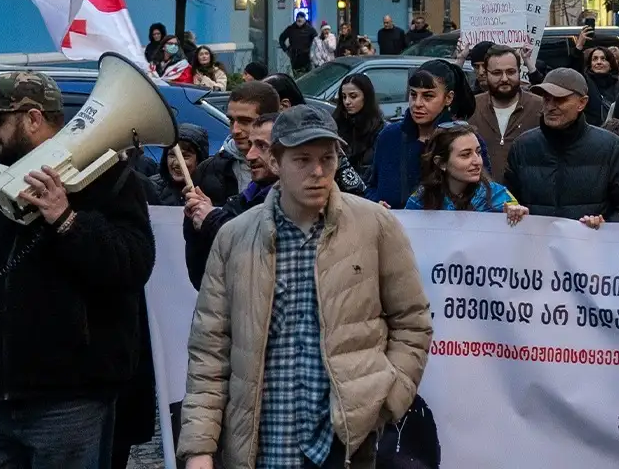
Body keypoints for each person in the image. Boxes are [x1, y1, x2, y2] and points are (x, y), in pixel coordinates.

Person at [177, 106, 432, 469]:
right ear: (275, 160)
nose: (317, 172)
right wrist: (200, 447)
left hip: (343, 445)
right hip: (260, 445)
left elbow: (412, 321)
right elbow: (209, 349)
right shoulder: (235, 237)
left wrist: (386, 398)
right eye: (302, 160)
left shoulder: (375, 225)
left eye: (327, 159)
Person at [0, 71, 156, 469]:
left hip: (68, 400)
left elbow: (133, 263)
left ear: (33, 118)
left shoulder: (111, 181)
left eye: (1, 119)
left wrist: (67, 220)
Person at [504, 67, 619, 226]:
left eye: (560, 100)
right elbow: (507, 197)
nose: (550, 106)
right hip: (535, 244)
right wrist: (513, 209)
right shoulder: (523, 146)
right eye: (547, 99)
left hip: (591, 246)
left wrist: (605, 225)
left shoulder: (611, 147)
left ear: (582, 103)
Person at [367, 60, 484, 209]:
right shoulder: (389, 136)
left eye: (428, 96)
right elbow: (371, 187)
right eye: (413, 94)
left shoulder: (466, 141)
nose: (418, 103)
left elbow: (485, 192)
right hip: (392, 227)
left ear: (448, 98)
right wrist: (376, 203)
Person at [183, 113, 279, 290]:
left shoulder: (293, 205)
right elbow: (206, 279)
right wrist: (198, 222)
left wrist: (213, 219)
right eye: (251, 145)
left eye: (262, 146)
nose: (250, 155)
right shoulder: (238, 203)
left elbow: (260, 260)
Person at [405, 123, 529, 223]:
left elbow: (521, 238)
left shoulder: (498, 196)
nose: (477, 161)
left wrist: (518, 215)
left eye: (478, 152)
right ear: (441, 163)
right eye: (465, 155)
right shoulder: (421, 198)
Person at [191, 80, 280, 205]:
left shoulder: (291, 170)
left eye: (245, 121)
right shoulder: (208, 170)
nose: (235, 130)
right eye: (231, 120)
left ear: (269, 121)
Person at [468, 45, 543, 182]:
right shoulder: (471, 107)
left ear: (519, 72)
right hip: (482, 198)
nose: (504, 78)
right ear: (486, 73)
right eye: (497, 73)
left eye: (510, 72)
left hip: (528, 198)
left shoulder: (539, 107)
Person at [334, 74, 385, 179]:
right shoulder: (336, 124)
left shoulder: (380, 130)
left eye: (353, 96)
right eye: (344, 97)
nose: (347, 102)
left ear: (366, 97)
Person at [147, 123, 210, 205]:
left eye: (186, 156)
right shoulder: (151, 187)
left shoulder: (211, 190)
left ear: (200, 160)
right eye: (172, 155)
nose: (177, 163)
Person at [575, 37, 619, 126]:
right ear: (590, 64)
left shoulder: (618, 85)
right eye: (595, 59)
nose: (599, 62)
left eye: (603, 59)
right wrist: (578, 48)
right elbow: (574, 70)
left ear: (611, 65)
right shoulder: (585, 81)